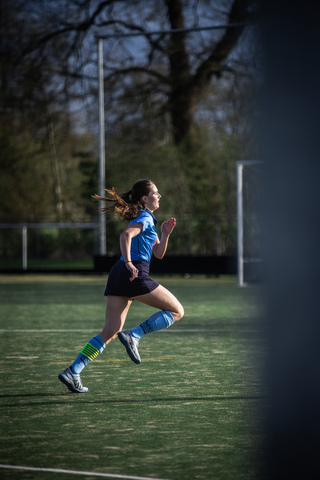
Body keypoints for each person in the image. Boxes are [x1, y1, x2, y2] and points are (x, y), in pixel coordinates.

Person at [58, 179, 184, 393]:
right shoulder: (144, 217)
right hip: (133, 271)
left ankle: (74, 370)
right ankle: (134, 335)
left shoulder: (147, 219)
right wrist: (128, 262)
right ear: (145, 198)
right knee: (176, 311)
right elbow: (125, 236)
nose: (159, 195)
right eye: (156, 192)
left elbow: (158, 254)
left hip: (119, 274)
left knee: (110, 331)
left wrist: (165, 235)